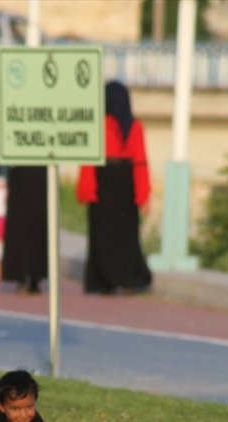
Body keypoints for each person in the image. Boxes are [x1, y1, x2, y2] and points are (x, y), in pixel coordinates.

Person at [76, 80, 152, 295]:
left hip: (103, 183)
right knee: (127, 236)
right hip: (125, 184)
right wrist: (143, 193)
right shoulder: (134, 126)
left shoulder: (96, 124)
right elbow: (140, 162)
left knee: (101, 234)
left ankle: (103, 282)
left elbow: (89, 161)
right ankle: (128, 279)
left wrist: (87, 188)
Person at [1, 166, 48, 294]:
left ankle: (35, 277)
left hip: (40, 173)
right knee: (20, 226)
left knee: (39, 225)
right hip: (21, 174)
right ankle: (20, 276)